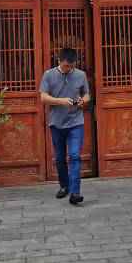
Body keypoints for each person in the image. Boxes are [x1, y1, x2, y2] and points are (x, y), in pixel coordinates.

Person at [39, 47, 90, 204]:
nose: (69, 69)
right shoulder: (48, 75)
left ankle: (75, 193)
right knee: (60, 158)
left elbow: (87, 94)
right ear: (59, 61)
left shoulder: (81, 75)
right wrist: (60, 101)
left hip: (76, 122)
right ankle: (64, 186)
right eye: (67, 66)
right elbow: (43, 97)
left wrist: (83, 101)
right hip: (56, 123)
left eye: (72, 66)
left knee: (74, 156)